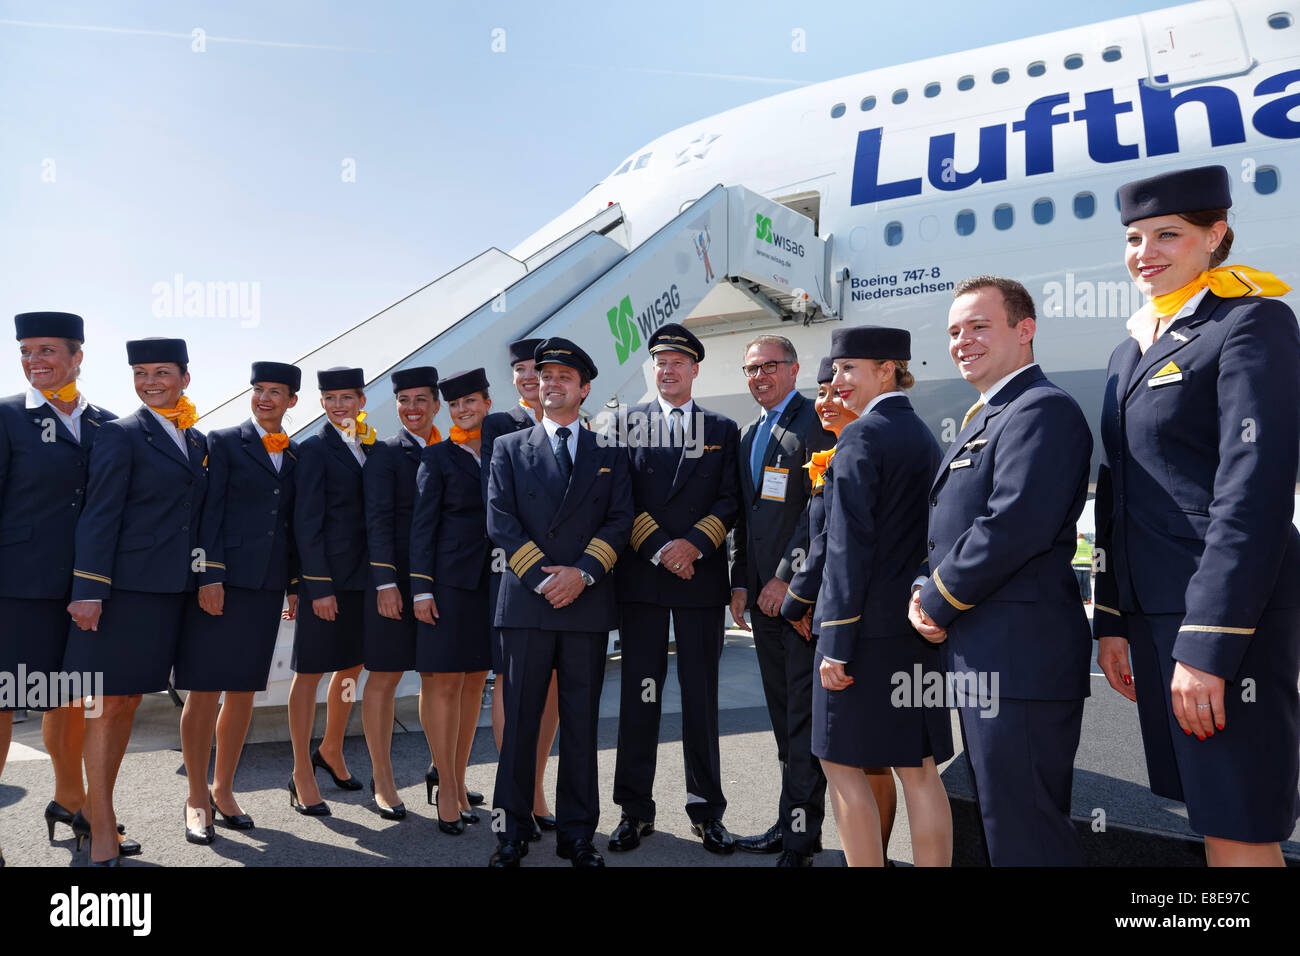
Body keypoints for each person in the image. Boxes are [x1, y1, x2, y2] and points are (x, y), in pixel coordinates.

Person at [1093, 165, 1300, 866]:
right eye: (1133, 237)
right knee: (1211, 812)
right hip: (1154, 621)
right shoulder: (1130, 350)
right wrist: (1114, 622)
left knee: (1241, 822)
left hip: (1224, 620)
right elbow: (1116, 491)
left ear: (1215, 237)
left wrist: (1209, 643)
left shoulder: (1250, 322)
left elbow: (1255, 486)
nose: (1144, 251)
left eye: (1167, 235)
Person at [909, 276, 1092, 866]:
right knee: (1005, 821)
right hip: (988, 655)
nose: (963, 341)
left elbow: (1012, 524)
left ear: (1025, 329)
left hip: (1020, 661)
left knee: (1027, 833)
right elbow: (951, 527)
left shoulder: (1042, 411)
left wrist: (935, 599)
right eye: (955, 332)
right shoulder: (989, 415)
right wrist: (924, 586)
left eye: (979, 326)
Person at [485, 337, 632, 867]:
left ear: (584, 388)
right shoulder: (508, 446)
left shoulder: (610, 452)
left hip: (585, 605)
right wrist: (546, 580)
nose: (551, 383)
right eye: (544, 375)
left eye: (563, 377)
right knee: (521, 724)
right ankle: (511, 830)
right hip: (528, 602)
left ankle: (577, 836)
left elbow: (619, 521)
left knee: (580, 725)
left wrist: (584, 574)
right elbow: (499, 519)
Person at [810, 328, 953, 867]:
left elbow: (847, 548)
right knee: (918, 769)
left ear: (887, 369)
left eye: (849, 369)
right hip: (915, 628)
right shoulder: (921, 435)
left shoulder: (862, 436)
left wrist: (837, 643)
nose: (838, 382)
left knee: (841, 766)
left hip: (863, 634)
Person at [64, 337, 208, 865]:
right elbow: (99, 515)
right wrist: (89, 591)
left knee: (127, 704)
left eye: (162, 372)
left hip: (168, 595)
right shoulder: (121, 434)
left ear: (185, 378)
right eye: (142, 372)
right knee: (107, 705)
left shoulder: (192, 439)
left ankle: (95, 815)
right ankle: (101, 829)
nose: (151, 381)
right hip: (121, 593)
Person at [609, 323, 740, 855]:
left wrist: (693, 547)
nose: (668, 370)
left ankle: (707, 810)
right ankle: (633, 809)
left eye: (678, 362)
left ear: (694, 370)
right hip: (644, 580)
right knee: (639, 699)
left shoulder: (722, 428)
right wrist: (665, 548)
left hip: (699, 580)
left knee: (701, 699)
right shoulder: (625, 425)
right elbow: (619, 498)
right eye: (660, 362)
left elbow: (730, 500)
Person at [0, 312, 119, 866]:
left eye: (47, 350)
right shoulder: (6, 418)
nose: (34, 361)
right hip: (17, 587)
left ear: (77, 356)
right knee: (5, 699)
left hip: (86, 589)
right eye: (26, 351)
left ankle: (71, 801)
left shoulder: (106, 425)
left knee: (73, 695)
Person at [175, 361, 301, 843]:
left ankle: (223, 789)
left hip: (266, 587)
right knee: (205, 688)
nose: (264, 398)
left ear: (292, 401)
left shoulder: (295, 455)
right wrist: (210, 575)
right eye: (258, 390)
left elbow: (291, 525)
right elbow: (209, 512)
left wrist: (293, 583)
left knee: (245, 689)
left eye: (276, 392)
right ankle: (195, 797)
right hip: (222, 584)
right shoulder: (223, 442)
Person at [779, 355, 898, 858]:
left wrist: (797, 600)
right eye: (821, 393)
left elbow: (835, 543)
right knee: (835, 746)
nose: (827, 402)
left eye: (836, 390)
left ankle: (876, 851)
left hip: (853, 623)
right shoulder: (831, 453)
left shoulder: (863, 448)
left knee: (869, 756)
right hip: (827, 614)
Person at [728, 334, 834, 866]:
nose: (760, 376)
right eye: (751, 369)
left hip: (800, 603)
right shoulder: (751, 433)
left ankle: (799, 839)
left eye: (770, 366)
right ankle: (794, 824)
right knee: (782, 716)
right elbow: (749, 518)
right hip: (763, 601)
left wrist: (787, 580)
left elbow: (815, 517)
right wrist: (742, 581)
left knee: (801, 719)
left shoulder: (816, 423)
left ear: (794, 370)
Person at [480, 337, 558, 834]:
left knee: (550, 683)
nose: (529, 377)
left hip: (566, 576)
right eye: (521, 370)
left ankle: (537, 789)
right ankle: (515, 795)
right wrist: (539, 563)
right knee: (513, 682)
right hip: (516, 568)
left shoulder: (577, 423)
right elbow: (500, 504)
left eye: (538, 368)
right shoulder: (498, 426)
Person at [411, 368, 494, 834]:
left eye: (472, 402)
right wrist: (421, 589)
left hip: (491, 585)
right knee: (442, 683)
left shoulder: (504, 449)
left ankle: (459, 781)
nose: (464, 410)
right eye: (456, 404)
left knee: (472, 685)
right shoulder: (438, 456)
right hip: (445, 585)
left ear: (486, 402)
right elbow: (421, 526)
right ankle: (445, 785)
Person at [288, 367, 371, 816]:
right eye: (330, 398)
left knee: (350, 670)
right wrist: (316, 586)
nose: (339, 405)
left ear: (361, 400)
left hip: (364, 581)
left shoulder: (370, 446)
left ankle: (332, 748)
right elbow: (306, 522)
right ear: (321, 403)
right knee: (310, 674)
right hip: (327, 583)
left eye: (347, 397)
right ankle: (301, 769)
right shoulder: (313, 450)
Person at [360, 366, 442, 822]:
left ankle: (443, 772)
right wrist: (386, 584)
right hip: (396, 584)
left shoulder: (452, 451)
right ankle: (383, 778)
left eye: (420, 400)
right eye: (403, 400)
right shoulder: (384, 456)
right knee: (386, 676)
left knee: (435, 677)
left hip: (439, 585)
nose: (412, 409)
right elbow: (377, 521)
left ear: (436, 404)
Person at [1072, 533, 1093, 604]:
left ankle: (1080, 599)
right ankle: (1088, 599)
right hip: (1087, 566)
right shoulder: (1088, 546)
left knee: (1078, 583)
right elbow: (1092, 556)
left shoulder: (1075, 544)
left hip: (1077, 565)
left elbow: (1071, 555)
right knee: (1086, 583)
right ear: (1084, 538)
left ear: (1077, 538)